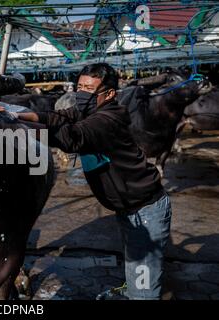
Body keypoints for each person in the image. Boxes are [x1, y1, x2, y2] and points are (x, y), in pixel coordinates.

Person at [12, 63, 172, 300]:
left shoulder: (108, 118)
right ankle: (132, 290)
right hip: (130, 209)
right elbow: (58, 117)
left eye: (89, 89)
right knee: (135, 263)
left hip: (145, 210)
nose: (81, 94)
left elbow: (71, 137)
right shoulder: (89, 110)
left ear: (108, 94)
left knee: (144, 283)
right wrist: (14, 114)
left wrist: (13, 130)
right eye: (79, 87)